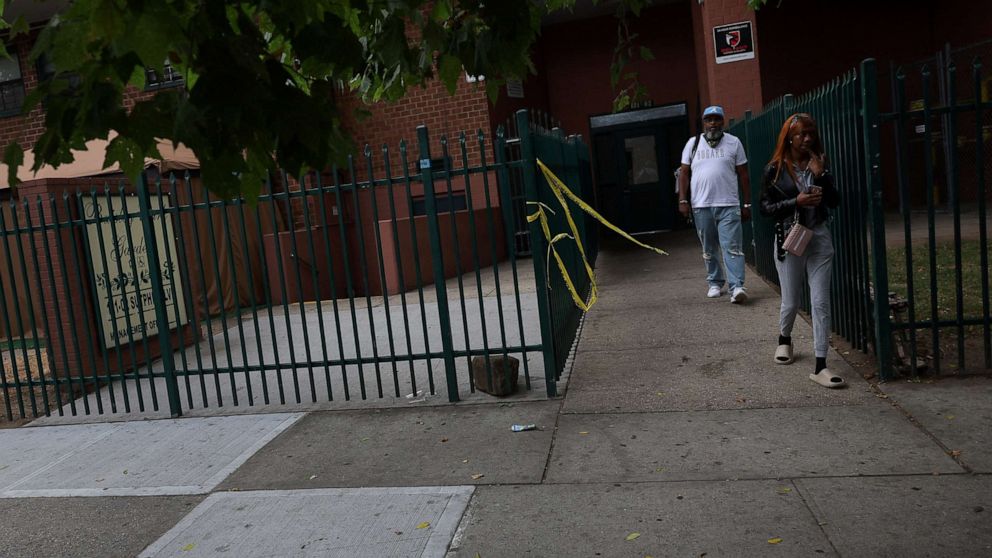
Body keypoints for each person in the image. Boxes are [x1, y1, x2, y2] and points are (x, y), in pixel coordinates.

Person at [758, 113, 844, 388]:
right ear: (789, 138)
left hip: (818, 236)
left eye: (811, 134)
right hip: (791, 237)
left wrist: (823, 176)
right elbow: (765, 209)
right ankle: (785, 339)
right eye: (801, 134)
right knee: (792, 301)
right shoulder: (774, 170)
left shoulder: (819, 164)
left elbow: (835, 201)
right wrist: (797, 201)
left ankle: (821, 364)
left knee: (820, 303)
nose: (807, 139)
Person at [677, 105, 751, 303]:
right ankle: (715, 282)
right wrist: (683, 199)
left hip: (729, 203)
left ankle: (737, 287)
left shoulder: (734, 143)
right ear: (704, 123)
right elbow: (684, 173)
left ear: (722, 121)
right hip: (701, 205)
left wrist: (747, 204)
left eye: (717, 119)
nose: (713, 123)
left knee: (732, 246)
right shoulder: (693, 144)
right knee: (709, 247)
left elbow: (744, 175)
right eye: (709, 120)